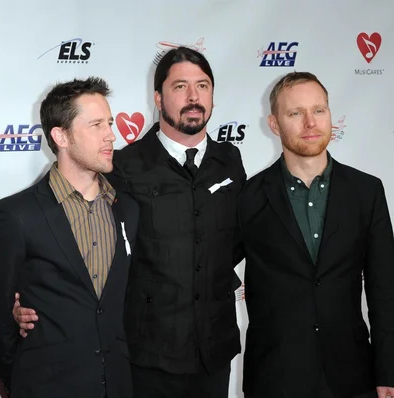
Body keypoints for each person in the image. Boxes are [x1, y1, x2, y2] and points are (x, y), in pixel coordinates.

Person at [14, 46, 246, 397]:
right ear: (158, 96)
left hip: (215, 350)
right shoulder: (123, 165)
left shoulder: (231, 160)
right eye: (180, 86)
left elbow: (238, 241)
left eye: (203, 85)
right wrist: (20, 300)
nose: (194, 96)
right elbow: (58, 218)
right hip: (146, 357)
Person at [0, 77, 139, 398]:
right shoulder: (18, 214)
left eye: (109, 122)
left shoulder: (128, 209)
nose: (111, 134)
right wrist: (24, 379)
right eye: (96, 125)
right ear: (60, 136)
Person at [238, 71, 394, 398]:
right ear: (274, 124)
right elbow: (213, 272)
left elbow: (384, 290)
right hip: (275, 377)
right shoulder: (248, 196)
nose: (311, 123)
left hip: (353, 376)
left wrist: (388, 373)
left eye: (318, 110)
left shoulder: (367, 191)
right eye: (296, 113)